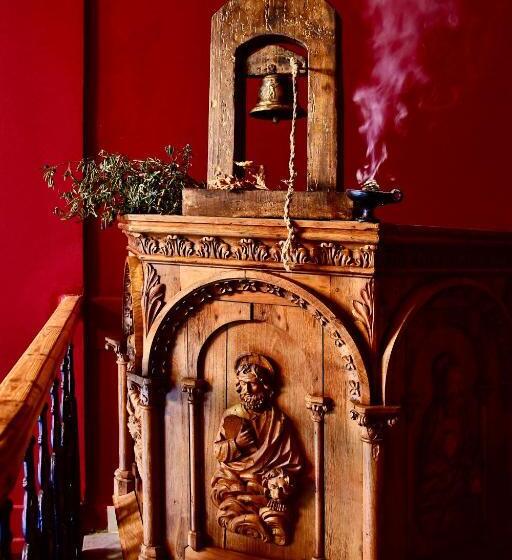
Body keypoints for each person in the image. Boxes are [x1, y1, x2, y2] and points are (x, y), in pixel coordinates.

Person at [211, 353, 302, 545]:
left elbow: (292, 462)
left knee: (274, 514)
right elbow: (217, 451)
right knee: (231, 504)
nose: (246, 390)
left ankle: (263, 521)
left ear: (265, 386)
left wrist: (278, 479)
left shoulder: (278, 421)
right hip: (233, 479)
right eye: (242, 384)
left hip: (264, 483)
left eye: (252, 384)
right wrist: (236, 444)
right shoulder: (232, 415)